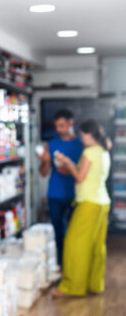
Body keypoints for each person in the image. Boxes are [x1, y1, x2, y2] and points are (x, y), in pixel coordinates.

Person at [51, 120, 111, 297]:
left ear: (89, 135)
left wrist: (68, 162)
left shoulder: (89, 152)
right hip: (102, 202)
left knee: (74, 244)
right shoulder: (103, 150)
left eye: (83, 135)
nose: (81, 139)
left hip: (89, 202)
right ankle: (94, 284)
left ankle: (72, 286)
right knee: (96, 246)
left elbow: (79, 177)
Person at [37, 109, 83, 267]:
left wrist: (69, 167)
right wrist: (45, 161)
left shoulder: (81, 144)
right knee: (58, 232)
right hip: (55, 194)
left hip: (76, 194)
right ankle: (62, 265)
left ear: (71, 124)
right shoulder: (52, 144)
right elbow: (43, 173)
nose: (58, 130)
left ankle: (76, 264)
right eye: (56, 126)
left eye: (62, 126)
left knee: (76, 233)